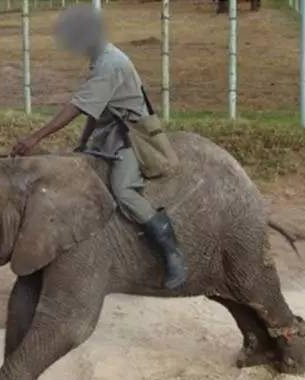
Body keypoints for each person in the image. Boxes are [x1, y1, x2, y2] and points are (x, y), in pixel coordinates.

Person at [10, 6, 186, 290]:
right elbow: (95, 108)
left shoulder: (109, 64)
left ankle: (172, 253)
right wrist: (82, 143)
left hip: (131, 136)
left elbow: (77, 107)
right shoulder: (101, 59)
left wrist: (35, 138)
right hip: (111, 132)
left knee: (124, 191)